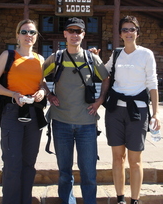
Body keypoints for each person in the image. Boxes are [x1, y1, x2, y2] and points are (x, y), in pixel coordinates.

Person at [43, 17, 110, 204]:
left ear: (83, 35)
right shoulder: (56, 58)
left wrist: (100, 101)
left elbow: (106, 79)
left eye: (78, 31)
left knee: (89, 172)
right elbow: (37, 76)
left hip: (87, 124)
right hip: (61, 122)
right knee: (64, 172)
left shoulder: (92, 58)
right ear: (65, 34)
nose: (74, 35)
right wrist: (48, 94)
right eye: (71, 31)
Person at [0, 19, 47, 204]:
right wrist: (13, 94)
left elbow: (42, 83)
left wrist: (43, 91)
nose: (29, 36)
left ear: (36, 37)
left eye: (32, 32)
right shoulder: (8, 55)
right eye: (24, 32)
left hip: (34, 114)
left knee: (29, 164)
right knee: (13, 164)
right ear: (17, 36)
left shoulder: (40, 59)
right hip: (12, 111)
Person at [104, 16, 160, 204]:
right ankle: (120, 199)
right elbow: (103, 72)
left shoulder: (146, 54)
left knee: (135, 160)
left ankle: (134, 200)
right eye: (125, 30)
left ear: (137, 32)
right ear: (120, 34)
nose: (129, 33)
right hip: (115, 111)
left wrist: (156, 113)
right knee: (118, 158)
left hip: (138, 111)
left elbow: (152, 84)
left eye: (132, 29)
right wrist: (94, 57)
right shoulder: (117, 54)